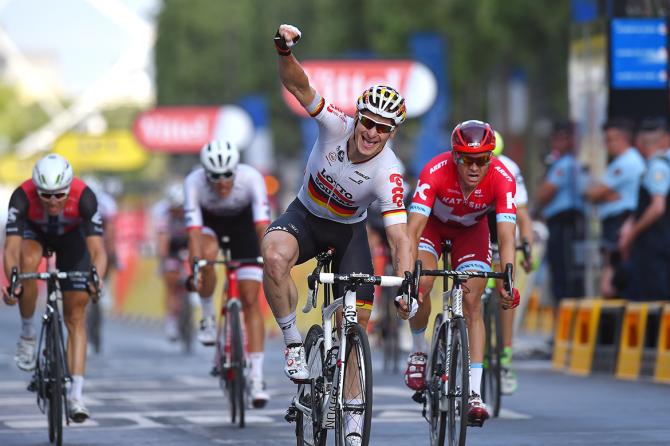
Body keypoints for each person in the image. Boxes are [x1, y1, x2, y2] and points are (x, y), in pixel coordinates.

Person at [262, 23, 412, 446]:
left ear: (392, 133)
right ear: (358, 118)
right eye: (368, 122)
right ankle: (293, 342)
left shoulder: (389, 171)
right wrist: (284, 51)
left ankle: (350, 418)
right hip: (305, 218)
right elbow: (298, 84)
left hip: (348, 235)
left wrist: (406, 284)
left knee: (356, 324)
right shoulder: (334, 125)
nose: (371, 133)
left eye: (382, 128)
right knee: (273, 257)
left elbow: (400, 236)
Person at [405, 120, 520, 426]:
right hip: (432, 227)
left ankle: (473, 393)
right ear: (454, 156)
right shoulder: (434, 170)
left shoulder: (503, 178)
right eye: (466, 159)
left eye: (482, 159)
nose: (473, 167)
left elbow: (507, 237)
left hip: (471, 233)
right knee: (423, 283)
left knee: (472, 304)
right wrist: (408, 278)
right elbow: (413, 230)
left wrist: (508, 280)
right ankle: (419, 352)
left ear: (490, 158)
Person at [2, 154, 107, 423]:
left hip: (72, 239)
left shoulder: (85, 197)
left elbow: (98, 250)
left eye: (59, 195)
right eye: (45, 195)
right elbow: (11, 249)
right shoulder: (22, 197)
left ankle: (76, 396)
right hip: (35, 235)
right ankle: (27, 333)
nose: (52, 201)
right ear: (36, 190)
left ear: (69, 188)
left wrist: (97, 278)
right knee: (26, 263)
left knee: (76, 315)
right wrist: (13, 281)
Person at [184, 139, 271, 407]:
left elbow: (262, 227)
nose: (222, 182)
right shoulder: (194, 182)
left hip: (244, 227)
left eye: (227, 175)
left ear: (236, 169)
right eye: (215, 177)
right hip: (211, 227)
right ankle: (208, 318)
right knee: (206, 258)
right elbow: (194, 233)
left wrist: (270, 258)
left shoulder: (252, 179)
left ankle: (256, 378)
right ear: (205, 173)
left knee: (250, 299)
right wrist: (196, 266)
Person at [488, 130, 533, 395]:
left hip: (501, 221)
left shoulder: (509, 169)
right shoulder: (466, 169)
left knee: (506, 286)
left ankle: (505, 355)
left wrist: (527, 247)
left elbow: (523, 215)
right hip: (477, 220)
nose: (482, 167)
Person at [584, 118, 645, 297]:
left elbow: (594, 194)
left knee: (615, 272)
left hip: (620, 220)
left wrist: (602, 195)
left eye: (610, 139)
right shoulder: (621, 161)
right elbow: (594, 194)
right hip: (616, 219)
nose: (607, 144)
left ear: (623, 138)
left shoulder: (627, 162)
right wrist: (605, 195)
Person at [535, 121, 588, 301]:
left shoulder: (565, 164)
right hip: (559, 221)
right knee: (559, 269)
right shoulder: (559, 162)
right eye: (557, 139)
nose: (560, 143)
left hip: (565, 222)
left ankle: (565, 306)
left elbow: (544, 193)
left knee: (564, 269)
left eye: (565, 138)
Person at [618, 120, 670, 300]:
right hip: (658, 242)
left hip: (655, 244)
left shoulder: (657, 166)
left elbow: (657, 207)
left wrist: (632, 233)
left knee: (654, 298)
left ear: (639, 143)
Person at [152, 181, 191, 341]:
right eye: (176, 209)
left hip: (188, 245)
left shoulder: (192, 213)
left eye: (181, 208)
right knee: (171, 283)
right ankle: (171, 321)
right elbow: (162, 242)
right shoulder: (164, 215)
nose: (179, 212)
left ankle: (192, 300)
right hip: (172, 249)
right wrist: (163, 262)